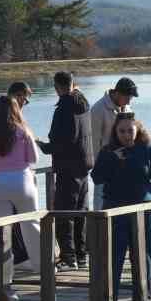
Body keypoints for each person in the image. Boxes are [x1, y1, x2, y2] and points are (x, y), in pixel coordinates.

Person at [89, 113, 151, 301]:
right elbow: (97, 177)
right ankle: (111, 300)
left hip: (144, 207)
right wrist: (112, 159)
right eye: (122, 131)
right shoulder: (108, 151)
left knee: (144, 253)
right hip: (116, 210)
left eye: (130, 131)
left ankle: (142, 296)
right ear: (115, 132)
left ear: (137, 130)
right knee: (115, 255)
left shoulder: (147, 147)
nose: (126, 135)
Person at [36, 71, 93, 269]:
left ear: (56, 86)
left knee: (63, 213)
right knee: (80, 212)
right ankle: (81, 255)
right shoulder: (83, 103)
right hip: (84, 165)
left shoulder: (65, 108)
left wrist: (43, 146)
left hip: (68, 167)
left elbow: (63, 140)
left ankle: (69, 258)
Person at [0, 95, 40, 270]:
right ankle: (43, 267)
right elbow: (34, 159)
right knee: (31, 226)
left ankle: (3, 277)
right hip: (23, 181)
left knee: (0, 232)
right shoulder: (24, 132)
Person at [88, 77, 138, 209]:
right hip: (105, 164)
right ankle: (98, 228)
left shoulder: (127, 107)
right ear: (117, 93)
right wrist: (100, 166)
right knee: (101, 202)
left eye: (130, 98)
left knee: (125, 204)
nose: (129, 101)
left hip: (125, 165)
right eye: (127, 97)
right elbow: (94, 142)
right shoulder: (98, 109)